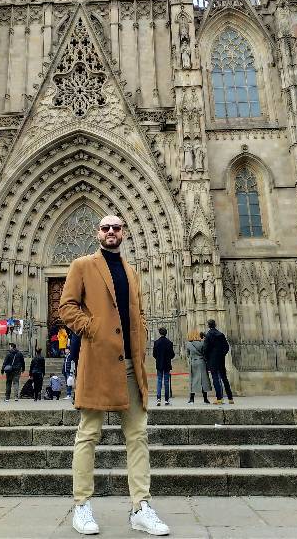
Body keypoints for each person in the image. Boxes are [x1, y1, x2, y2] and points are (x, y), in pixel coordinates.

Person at [60, 213, 169, 536]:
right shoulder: (82, 265)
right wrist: (94, 331)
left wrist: (141, 337)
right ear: (98, 233)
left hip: (130, 366)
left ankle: (141, 507)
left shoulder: (132, 272)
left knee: (138, 436)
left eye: (116, 228)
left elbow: (139, 313)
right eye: (106, 228)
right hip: (97, 362)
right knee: (88, 434)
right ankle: (82, 506)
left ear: (124, 233)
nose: (111, 232)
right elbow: (67, 307)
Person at [203, 319, 234, 405]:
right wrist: (222, 354)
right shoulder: (221, 334)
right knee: (224, 378)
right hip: (221, 359)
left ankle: (219, 398)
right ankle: (230, 398)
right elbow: (226, 347)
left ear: (208, 326)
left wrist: (207, 358)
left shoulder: (208, 335)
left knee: (216, 378)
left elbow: (205, 349)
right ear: (215, 325)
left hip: (212, 360)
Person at [186, 329, 210, 404]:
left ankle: (191, 399)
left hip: (193, 362)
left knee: (193, 380)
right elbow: (205, 352)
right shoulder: (202, 343)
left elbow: (188, 354)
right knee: (203, 380)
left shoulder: (189, 344)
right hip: (202, 362)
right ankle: (205, 399)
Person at [152, 326, 175, 407]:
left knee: (159, 381)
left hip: (159, 364)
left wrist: (158, 359)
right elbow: (172, 355)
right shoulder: (169, 342)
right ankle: (166, 400)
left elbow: (154, 354)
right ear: (166, 333)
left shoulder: (156, 342)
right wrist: (168, 358)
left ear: (159, 333)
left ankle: (158, 399)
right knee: (166, 382)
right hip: (167, 364)